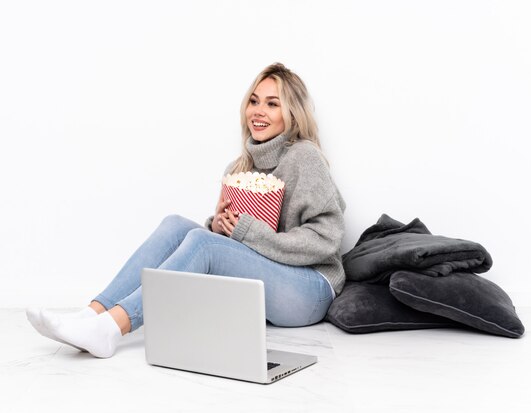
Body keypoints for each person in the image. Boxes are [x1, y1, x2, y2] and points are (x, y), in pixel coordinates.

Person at [26, 63, 346, 358]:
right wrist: (220, 226)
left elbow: (326, 240)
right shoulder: (241, 166)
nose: (258, 112)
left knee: (203, 244)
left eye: (272, 103)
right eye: (254, 101)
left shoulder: (305, 158)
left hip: (312, 288)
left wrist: (245, 231)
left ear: (292, 113)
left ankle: (112, 328)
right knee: (176, 225)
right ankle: (92, 314)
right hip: (271, 279)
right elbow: (239, 248)